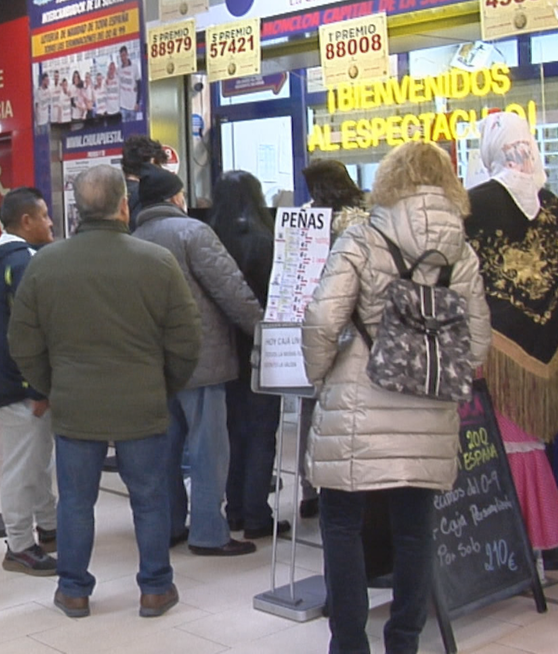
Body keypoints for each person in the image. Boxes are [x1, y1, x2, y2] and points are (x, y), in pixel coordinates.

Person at [302, 142, 491, 654]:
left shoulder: (361, 239)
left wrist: (320, 375)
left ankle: (349, 643)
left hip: (356, 403)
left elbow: (322, 320)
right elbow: (477, 344)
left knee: (342, 525)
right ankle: (403, 641)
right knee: (415, 531)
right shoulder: (462, 253)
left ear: (388, 181)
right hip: (430, 411)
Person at [10, 164, 201, 619]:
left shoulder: (46, 263)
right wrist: (164, 383)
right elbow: (187, 338)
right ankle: (155, 588)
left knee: (76, 501)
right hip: (142, 399)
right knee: (150, 498)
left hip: (75, 401)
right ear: (124, 206)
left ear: (76, 209)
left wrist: (53, 384)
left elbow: (23, 342)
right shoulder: (156, 262)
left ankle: (74, 590)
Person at [464, 111, 558, 570]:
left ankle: (505, 539)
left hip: (490, 347)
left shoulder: (473, 204)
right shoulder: (551, 205)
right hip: (545, 348)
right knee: (527, 439)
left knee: (495, 441)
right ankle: (549, 536)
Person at [133, 168, 264, 556]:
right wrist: (263, 331)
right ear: (176, 197)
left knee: (166, 450)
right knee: (208, 450)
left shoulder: (133, 239)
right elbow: (230, 290)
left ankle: (171, 523)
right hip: (201, 359)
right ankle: (208, 531)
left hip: (154, 364)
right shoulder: (193, 233)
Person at [0, 187, 58, 575]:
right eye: (44, 216)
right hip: (20, 385)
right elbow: (30, 332)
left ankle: (49, 525)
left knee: (37, 460)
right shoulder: (23, 263)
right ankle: (20, 545)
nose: (50, 223)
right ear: (26, 221)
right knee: (24, 466)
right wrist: (37, 387)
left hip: (4, 378)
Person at [206, 171, 283, 538]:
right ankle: (256, 514)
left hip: (222, 349)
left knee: (232, 433)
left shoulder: (209, 240)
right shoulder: (266, 241)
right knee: (261, 432)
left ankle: (234, 509)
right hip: (262, 347)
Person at [297, 159, 371, 519]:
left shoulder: (304, 222)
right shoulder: (368, 220)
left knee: (312, 409)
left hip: (317, 324)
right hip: (360, 332)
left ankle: (311, 486)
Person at [117, 46, 139, 120]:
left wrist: (137, 102)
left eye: (124, 55)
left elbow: (139, 85)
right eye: (121, 56)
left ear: (127, 54)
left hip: (132, 105)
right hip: (122, 106)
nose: (122, 58)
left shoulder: (134, 67)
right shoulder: (118, 69)